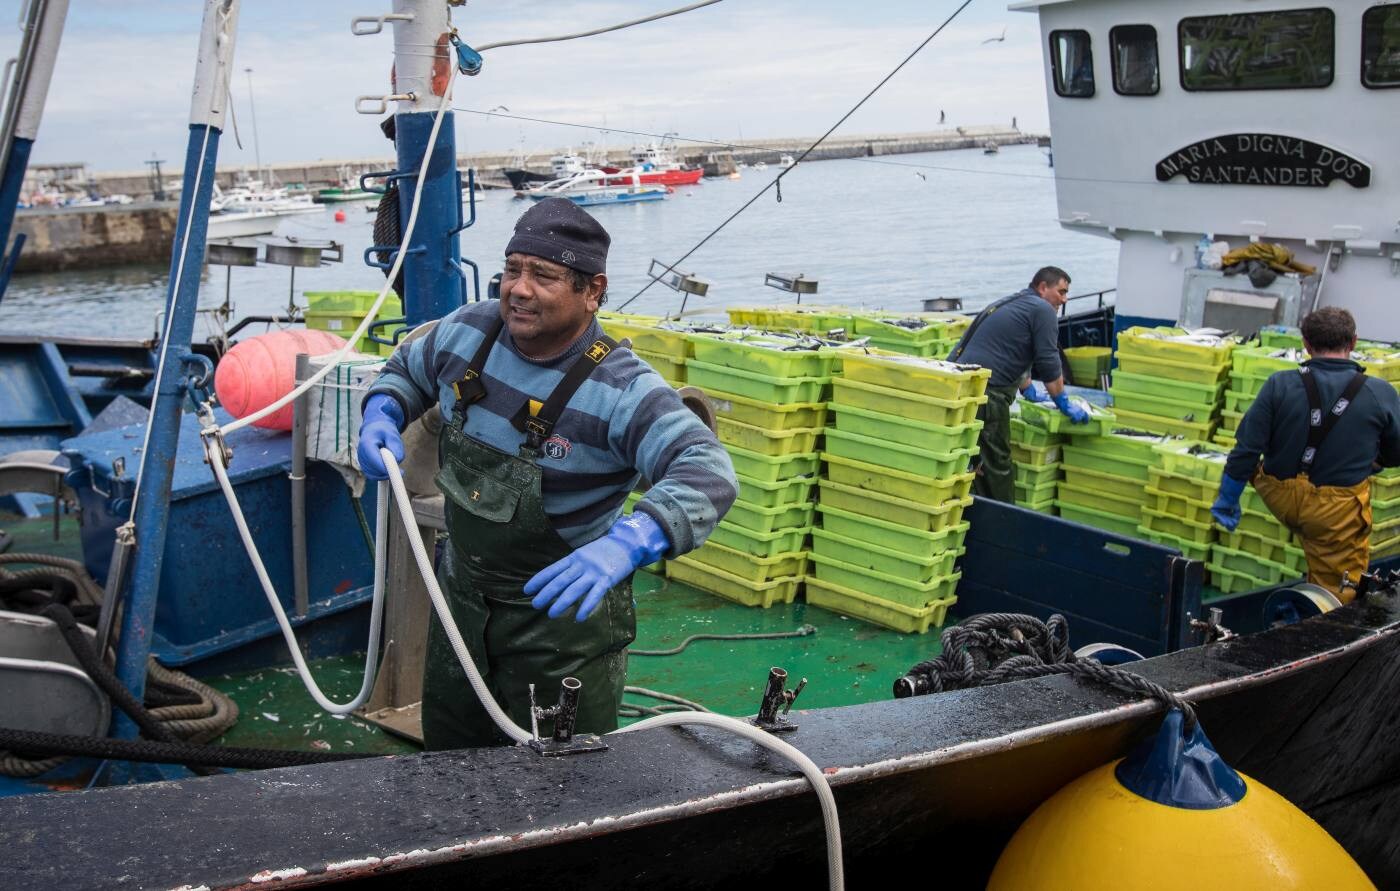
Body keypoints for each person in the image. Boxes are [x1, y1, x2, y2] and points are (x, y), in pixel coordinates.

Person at [357, 197, 738, 748]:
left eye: (544, 275)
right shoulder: (468, 331)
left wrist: (631, 541)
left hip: (560, 626)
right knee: (449, 757)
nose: (518, 288)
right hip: (461, 601)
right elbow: (408, 370)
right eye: (512, 270)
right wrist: (383, 410)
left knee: (564, 780)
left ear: (593, 292)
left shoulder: (622, 390)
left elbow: (708, 473)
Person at [1211, 307, 1400, 601]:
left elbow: (1246, 449)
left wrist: (1227, 499)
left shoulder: (1279, 384)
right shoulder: (1380, 392)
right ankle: (1323, 621)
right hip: (1334, 512)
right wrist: (1374, 463)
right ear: (1353, 342)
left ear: (1306, 345)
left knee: (1259, 461)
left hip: (1278, 496)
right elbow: (1396, 453)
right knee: (1340, 590)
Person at [948, 266, 1089, 502]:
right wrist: (1062, 401)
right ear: (1043, 287)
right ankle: (1003, 519)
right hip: (985, 393)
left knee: (971, 454)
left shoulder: (1015, 302)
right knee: (996, 461)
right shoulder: (1043, 310)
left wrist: (1027, 388)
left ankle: (972, 504)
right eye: (1061, 292)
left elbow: (1013, 348)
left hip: (959, 383)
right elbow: (1048, 358)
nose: (1064, 300)